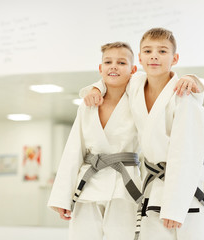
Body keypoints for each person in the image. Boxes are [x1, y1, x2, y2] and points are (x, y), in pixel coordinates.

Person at [81, 28, 204, 240]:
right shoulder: (135, 85)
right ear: (140, 59)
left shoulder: (183, 97)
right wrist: (96, 90)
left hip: (188, 188)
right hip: (154, 186)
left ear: (175, 58)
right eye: (148, 51)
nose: (154, 55)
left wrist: (175, 207)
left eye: (162, 51)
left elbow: (187, 156)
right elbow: (113, 78)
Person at [47, 42, 142, 240]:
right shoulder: (88, 104)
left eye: (121, 62)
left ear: (133, 70)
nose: (113, 66)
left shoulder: (139, 100)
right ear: (100, 68)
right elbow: (74, 149)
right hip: (88, 185)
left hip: (124, 186)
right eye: (108, 62)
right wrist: (61, 196)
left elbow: (152, 80)